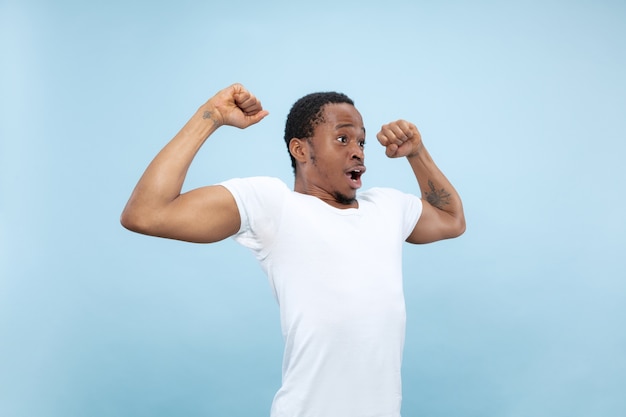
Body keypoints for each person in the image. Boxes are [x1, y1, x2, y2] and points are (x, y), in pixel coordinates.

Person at [121, 83, 465, 417]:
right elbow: (146, 214)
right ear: (300, 150)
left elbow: (452, 220)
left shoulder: (388, 207)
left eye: (361, 140)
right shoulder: (273, 205)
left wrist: (417, 153)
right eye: (342, 138)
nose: (358, 149)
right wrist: (209, 116)